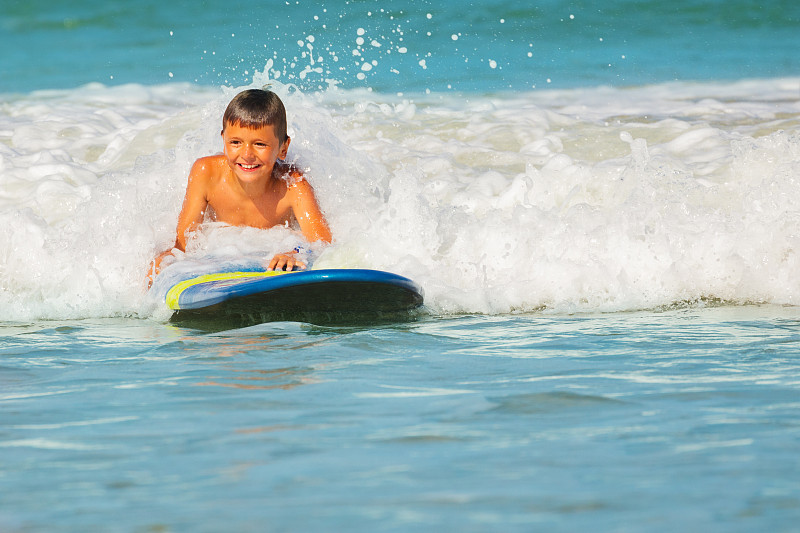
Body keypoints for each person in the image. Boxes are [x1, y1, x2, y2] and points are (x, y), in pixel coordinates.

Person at [149, 89, 332, 283]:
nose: (247, 154)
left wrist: (295, 253)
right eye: (235, 142)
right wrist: (166, 259)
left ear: (283, 148)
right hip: (220, 256)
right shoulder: (206, 173)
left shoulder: (293, 185)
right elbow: (184, 243)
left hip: (267, 258)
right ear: (223, 140)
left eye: (260, 144)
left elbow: (322, 243)